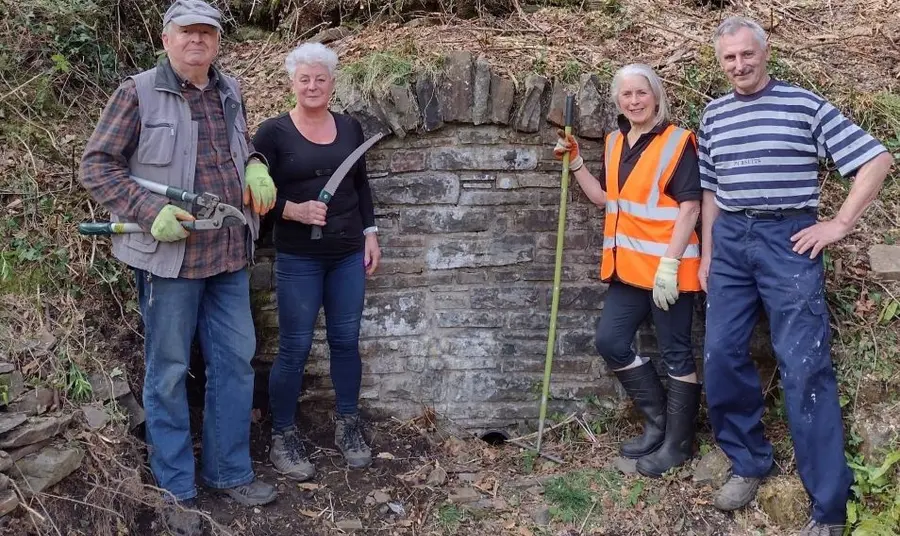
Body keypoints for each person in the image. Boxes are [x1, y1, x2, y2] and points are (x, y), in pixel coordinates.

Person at [79, 1, 278, 533]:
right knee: (168, 374)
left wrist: (256, 165)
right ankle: (175, 492)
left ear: (217, 41)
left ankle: (229, 471)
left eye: (207, 33)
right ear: (166, 39)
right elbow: (97, 165)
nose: (197, 41)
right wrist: (148, 210)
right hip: (169, 260)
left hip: (230, 256)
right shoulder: (138, 91)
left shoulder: (231, 90)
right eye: (186, 32)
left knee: (235, 365)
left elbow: (241, 146)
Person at [699, 16, 894, 536]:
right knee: (720, 354)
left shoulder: (804, 105)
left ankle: (828, 505)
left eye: (746, 54)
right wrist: (707, 253)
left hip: (788, 240)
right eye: (729, 58)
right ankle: (748, 461)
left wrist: (839, 223)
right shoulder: (713, 115)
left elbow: (877, 158)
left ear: (765, 53)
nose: (739, 65)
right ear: (720, 63)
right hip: (731, 246)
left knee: (804, 366)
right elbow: (711, 193)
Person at [554, 63, 703, 478]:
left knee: (676, 353)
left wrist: (670, 265)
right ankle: (658, 421)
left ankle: (678, 444)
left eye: (641, 93)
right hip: (629, 270)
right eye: (626, 95)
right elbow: (606, 199)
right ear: (617, 101)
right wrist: (577, 163)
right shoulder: (616, 142)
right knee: (611, 340)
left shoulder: (677, 143)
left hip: (668, 271)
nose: (634, 101)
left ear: (656, 96)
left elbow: (691, 207)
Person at [251, 42, 381, 482]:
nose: (312, 86)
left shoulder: (349, 127)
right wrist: (294, 210)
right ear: (292, 82)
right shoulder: (272, 133)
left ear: (332, 82)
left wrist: (370, 233)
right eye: (304, 79)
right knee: (295, 347)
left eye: (320, 78)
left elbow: (360, 185)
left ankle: (348, 425)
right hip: (299, 257)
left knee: (346, 340)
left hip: (346, 255)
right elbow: (254, 193)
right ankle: (282, 435)